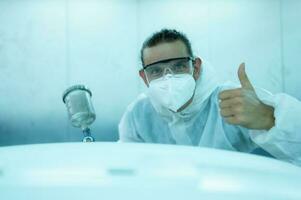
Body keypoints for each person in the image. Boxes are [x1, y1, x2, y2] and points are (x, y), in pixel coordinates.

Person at [118, 29, 301, 166]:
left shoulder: (232, 100)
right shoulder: (139, 115)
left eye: (179, 66)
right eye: (156, 71)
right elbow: (128, 165)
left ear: (195, 67)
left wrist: (268, 118)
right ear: (144, 77)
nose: (169, 78)